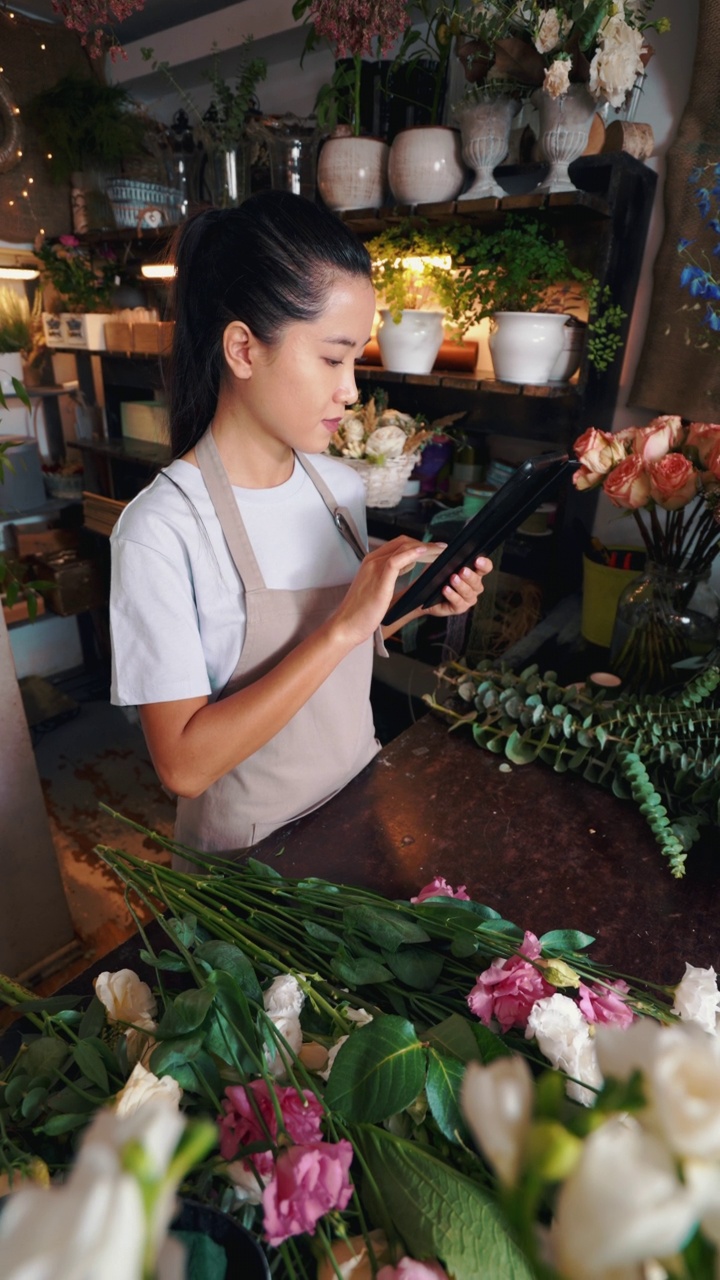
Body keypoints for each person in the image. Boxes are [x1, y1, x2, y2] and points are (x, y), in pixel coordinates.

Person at [110, 191, 491, 865]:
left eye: (355, 360)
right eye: (332, 357)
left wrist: (410, 602)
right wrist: (343, 624)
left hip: (358, 810)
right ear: (243, 349)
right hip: (248, 871)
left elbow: (340, 660)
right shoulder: (161, 529)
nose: (351, 389)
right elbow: (185, 766)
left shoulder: (338, 487)